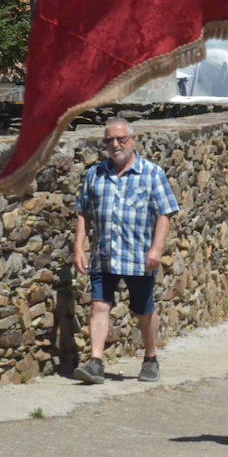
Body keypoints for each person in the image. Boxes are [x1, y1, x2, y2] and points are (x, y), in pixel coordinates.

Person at [72, 118, 179, 384]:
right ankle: (96, 362)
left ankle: (151, 357)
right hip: (104, 254)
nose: (115, 145)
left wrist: (157, 248)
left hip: (138, 257)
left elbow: (165, 213)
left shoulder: (152, 173)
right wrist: (79, 246)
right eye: (109, 140)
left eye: (121, 139)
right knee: (99, 305)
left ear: (132, 140)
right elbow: (84, 212)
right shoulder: (94, 174)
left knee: (143, 310)